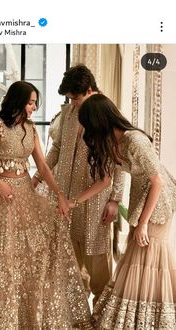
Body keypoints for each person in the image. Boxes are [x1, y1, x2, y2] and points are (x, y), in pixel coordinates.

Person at [0, 81, 93, 330]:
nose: (33, 107)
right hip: (2, 197)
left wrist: (61, 197)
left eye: (35, 103)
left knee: (33, 254)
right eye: (30, 102)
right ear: (17, 100)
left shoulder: (31, 129)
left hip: (26, 195)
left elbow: (43, 166)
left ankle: (27, 314)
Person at [75, 93, 176, 329]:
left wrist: (142, 223)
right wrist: (74, 202)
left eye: (88, 125)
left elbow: (157, 182)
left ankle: (151, 321)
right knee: (138, 259)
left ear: (98, 121)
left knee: (149, 258)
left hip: (157, 203)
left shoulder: (135, 141)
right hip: (142, 199)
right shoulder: (115, 142)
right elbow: (105, 180)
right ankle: (139, 319)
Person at [32, 64, 125, 306]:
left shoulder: (106, 112)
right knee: (69, 256)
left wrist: (116, 199)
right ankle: (75, 310)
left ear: (90, 89)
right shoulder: (69, 113)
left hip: (96, 197)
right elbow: (58, 148)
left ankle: (102, 310)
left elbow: (120, 160)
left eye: (75, 98)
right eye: (70, 98)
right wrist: (38, 175)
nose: (72, 102)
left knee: (97, 258)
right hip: (65, 194)